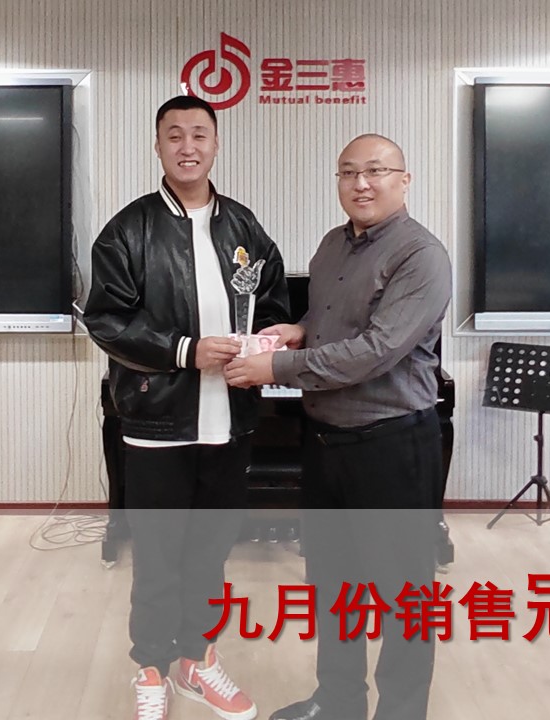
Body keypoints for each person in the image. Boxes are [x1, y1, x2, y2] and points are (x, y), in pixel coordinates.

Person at [224, 134, 452, 720]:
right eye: (348, 172)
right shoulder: (332, 245)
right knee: (334, 584)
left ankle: (401, 712)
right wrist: (298, 329)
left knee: (404, 595)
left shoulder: (421, 255)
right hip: (326, 443)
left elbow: (374, 351)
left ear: (404, 179)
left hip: (392, 445)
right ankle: (339, 701)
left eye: (375, 171)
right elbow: (332, 320)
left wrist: (276, 368)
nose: (361, 183)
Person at [83, 95, 288, 720]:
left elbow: (273, 306)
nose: (188, 146)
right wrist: (185, 350)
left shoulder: (244, 227)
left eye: (200, 134)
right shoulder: (128, 230)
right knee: (157, 555)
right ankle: (151, 666)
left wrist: (265, 345)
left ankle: (197, 659)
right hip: (157, 423)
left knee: (210, 551)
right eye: (175, 135)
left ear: (216, 144)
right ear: (158, 146)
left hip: (230, 421)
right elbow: (107, 321)